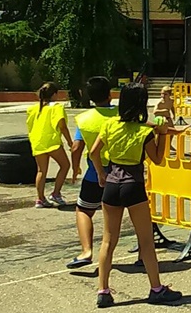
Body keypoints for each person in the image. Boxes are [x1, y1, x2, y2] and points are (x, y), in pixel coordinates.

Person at [89, 83, 187, 307]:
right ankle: (156, 288)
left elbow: (93, 152)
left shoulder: (110, 124)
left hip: (112, 183)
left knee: (108, 240)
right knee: (145, 240)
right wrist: (163, 135)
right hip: (133, 184)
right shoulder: (143, 132)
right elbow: (158, 159)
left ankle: (103, 290)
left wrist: (101, 173)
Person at [65, 77, 118, 269]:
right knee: (133, 212)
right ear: (110, 94)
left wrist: (75, 167)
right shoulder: (122, 114)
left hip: (95, 174)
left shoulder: (85, 119)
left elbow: (76, 147)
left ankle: (86, 251)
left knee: (84, 210)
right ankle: (143, 251)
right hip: (123, 172)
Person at [26, 82, 73, 208]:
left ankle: (40, 199)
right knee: (65, 165)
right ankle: (56, 193)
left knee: (41, 170)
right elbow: (62, 126)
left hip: (38, 142)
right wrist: (70, 142)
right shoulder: (56, 107)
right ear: (54, 94)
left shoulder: (33, 108)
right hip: (52, 142)